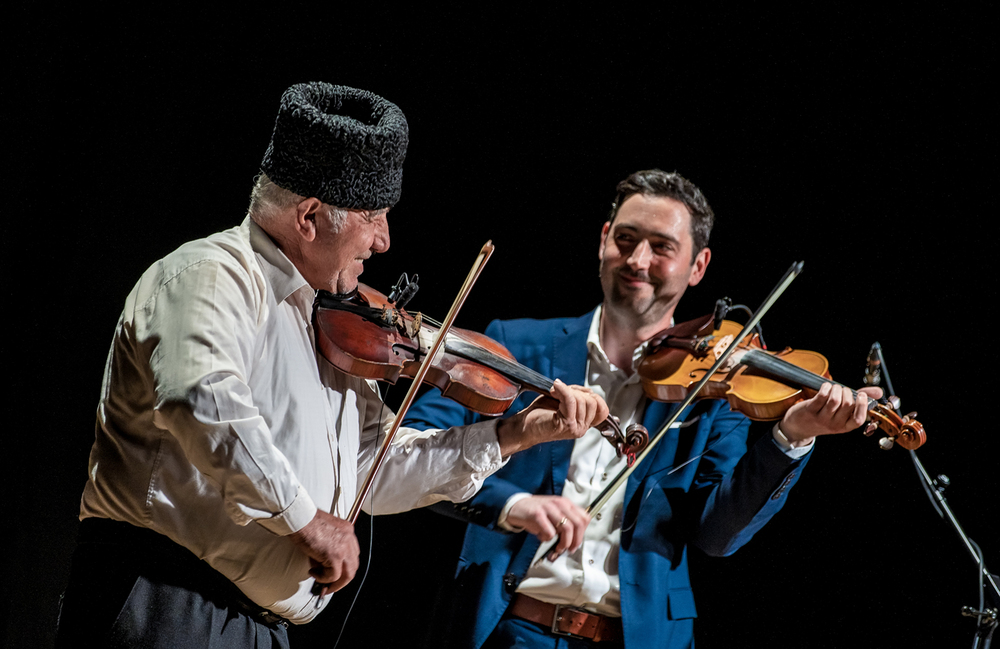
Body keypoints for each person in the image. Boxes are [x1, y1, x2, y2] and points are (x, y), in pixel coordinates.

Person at [54, 82, 608, 649]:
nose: (385, 240)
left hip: (252, 627)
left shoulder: (328, 319)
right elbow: (203, 405)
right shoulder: (210, 274)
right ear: (311, 217)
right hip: (166, 604)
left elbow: (373, 465)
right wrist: (307, 520)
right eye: (374, 216)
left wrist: (513, 432)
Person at [403, 169, 882, 649]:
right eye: (626, 239)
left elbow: (716, 535)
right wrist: (514, 504)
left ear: (698, 266)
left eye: (661, 247)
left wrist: (792, 436)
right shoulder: (516, 343)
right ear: (603, 240)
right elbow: (415, 450)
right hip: (502, 629)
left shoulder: (716, 392)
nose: (637, 260)